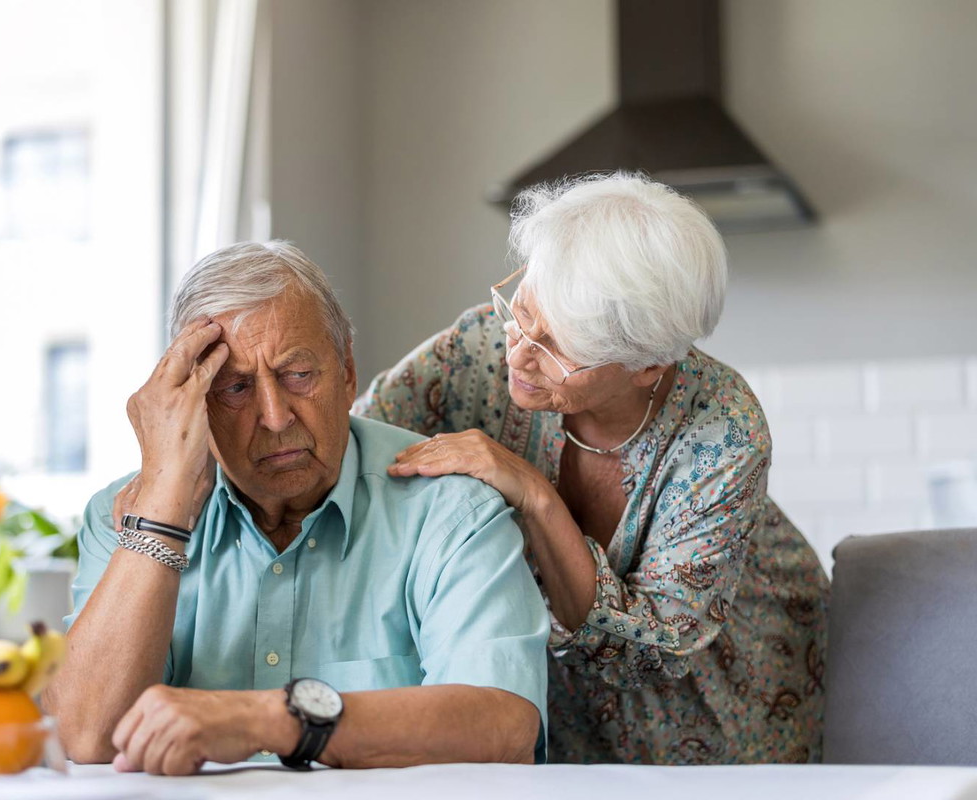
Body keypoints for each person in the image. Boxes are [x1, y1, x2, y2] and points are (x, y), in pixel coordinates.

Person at [354, 173, 829, 765]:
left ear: (648, 366)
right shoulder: (477, 349)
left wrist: (534, 495)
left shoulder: (725, 430)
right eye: (521, 309)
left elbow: (648, 653)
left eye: (560, 348)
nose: (521, 351)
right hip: (553, 691)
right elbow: (352, 442)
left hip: (719, 688)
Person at [47, 241, 549, 775]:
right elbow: (86, 735)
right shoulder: (124, 516)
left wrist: (275, 719)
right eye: (235, 388)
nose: (275, 416)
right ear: (193, 405)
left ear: (349, 373)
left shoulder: (452, 511)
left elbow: (503, 727)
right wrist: (163, 509)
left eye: (298, 375)